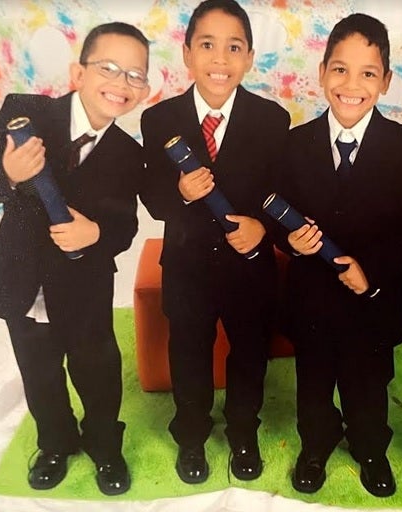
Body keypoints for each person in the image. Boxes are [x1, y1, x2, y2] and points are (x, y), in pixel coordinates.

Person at [0, 22, 151, 495]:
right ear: (78, 72)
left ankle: (106, 447)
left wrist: (97, 232)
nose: (121, 82)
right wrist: (6, 171)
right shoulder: (26, 114)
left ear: (144, 89)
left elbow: (125, 227)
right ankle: (54, 442)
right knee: (39, 371)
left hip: (83, 284)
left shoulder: (130, 154)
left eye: (135, 75)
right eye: (109, 68)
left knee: (97, 370)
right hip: (23, 277)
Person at [272, 13, 402, 497]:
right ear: (321, 73)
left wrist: (373, 272)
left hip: (372, 298)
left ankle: (370, 447)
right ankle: (315, 444)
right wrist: (288, 241)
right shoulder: (292, 144)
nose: (351, 85)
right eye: (340, 70)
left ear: (385, 81)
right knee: (314, 381)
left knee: (368, 385)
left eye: (367, 73)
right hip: (311, 299)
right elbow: (278, 216)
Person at [140, 0, 290, 484]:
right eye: (207, 45)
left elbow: (282, 192)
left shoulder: (273, 119)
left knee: (249, 350)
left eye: (233, 48)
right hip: (186, 266)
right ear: (187, 54)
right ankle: (191, 435)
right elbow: (151, 194)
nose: (220, 60)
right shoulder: (159, 119)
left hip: (249, 267)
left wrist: (264, 227)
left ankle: (243, 430)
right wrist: (179, 193)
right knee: (189, 351)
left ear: (248, 58)